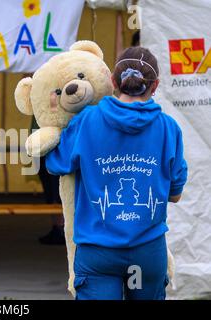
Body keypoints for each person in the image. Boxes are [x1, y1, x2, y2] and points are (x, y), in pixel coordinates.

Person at [45, 46, 188, 300]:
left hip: (98, 250)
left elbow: (56, 164)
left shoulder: (87, 120)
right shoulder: (169, 128)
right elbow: (175, 195)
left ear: (113, 82)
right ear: (154, 86)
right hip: (147, 250)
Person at [30, 116, 65, 245]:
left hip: (55, 149)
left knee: (58, 193)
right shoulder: (37, 100)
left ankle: (62, 229)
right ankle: (56, 228)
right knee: (50, 193)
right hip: (41, 150)